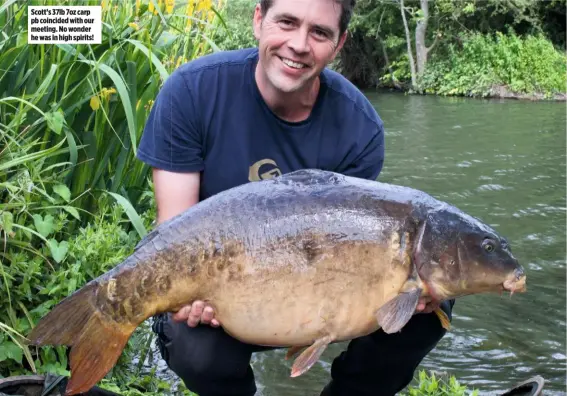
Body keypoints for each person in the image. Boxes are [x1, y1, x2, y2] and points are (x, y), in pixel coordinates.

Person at [136, 0, 453, 395]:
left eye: (320, 32)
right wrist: (189, 295)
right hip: (222, 295)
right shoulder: (192, 91)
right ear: (258, 20)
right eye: (286, 22)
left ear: (339, 45)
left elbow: (351, 248)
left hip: (313, 291)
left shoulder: (360, 127)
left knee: (427, 307)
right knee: (193, 344)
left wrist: (400, 291)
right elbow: (173, 236)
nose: (299, 44)